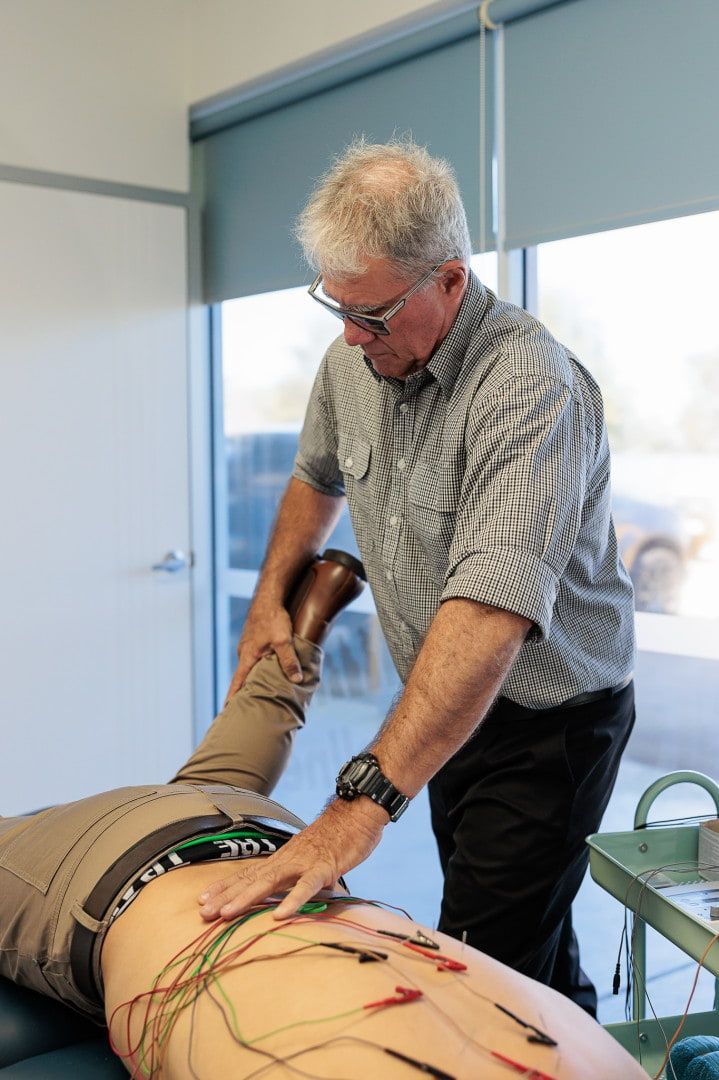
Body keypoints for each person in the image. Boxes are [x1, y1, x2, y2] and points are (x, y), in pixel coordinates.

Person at [204, 138, 637, 1019]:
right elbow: (314, 477)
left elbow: (485, 619)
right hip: (441, 704)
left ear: (448, 280)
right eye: (338, 307)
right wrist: (265, 602)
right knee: (530, 950)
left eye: (373, 314)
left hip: (548, 723)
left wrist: (358, 804)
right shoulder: (353, 360)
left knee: (472, 967)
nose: (351, 335)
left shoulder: (527, 386)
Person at [0, 554, 644, 1079]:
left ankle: (301, 643)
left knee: (211, 781)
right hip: (202, 851)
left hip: (193, 846)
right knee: (210, 781)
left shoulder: (604, 1062)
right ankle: (299, 642)